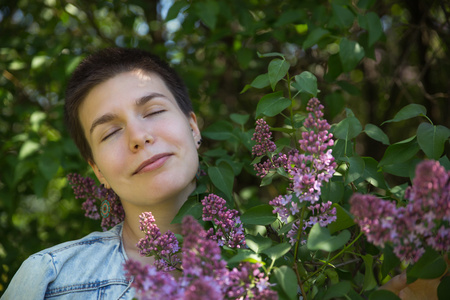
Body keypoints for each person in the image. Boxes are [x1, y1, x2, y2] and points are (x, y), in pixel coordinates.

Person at [2, 47, 202, 299]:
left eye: (153, 112)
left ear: (193, 127)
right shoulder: (48, 281)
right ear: (98, 171)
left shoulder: (260, 257)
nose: (139, 137)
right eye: (109, 132)